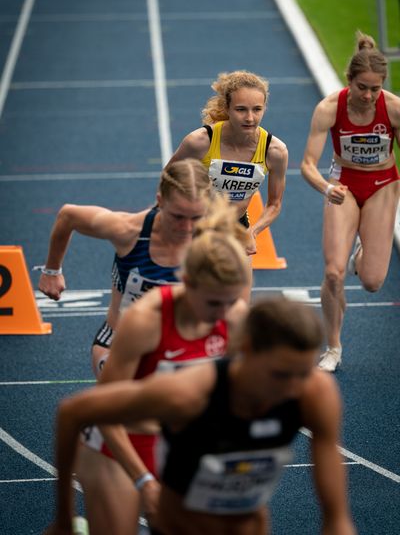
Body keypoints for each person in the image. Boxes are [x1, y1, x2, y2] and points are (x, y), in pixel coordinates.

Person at [44, 297, 356, 535]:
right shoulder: (188, 392)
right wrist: (62, 518)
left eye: (303, 373)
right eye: (280, 374)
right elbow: (73, 411)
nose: (293, 387)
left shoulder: (314, 393)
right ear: (248, 349)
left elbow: (336, 516)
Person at [62, 196, 251, 535]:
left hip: (180, 444)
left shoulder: (234, 319)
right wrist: (145, 480)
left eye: (231, 300)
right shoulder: (144, 320)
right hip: (118, 442)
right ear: (187, 283)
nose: (222, 313)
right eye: (213, 303)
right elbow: (95, 412)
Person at [37, 159, 212, 375]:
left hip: (182, 346)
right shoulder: (128, 231)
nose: (186, 227)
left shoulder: (215, 242)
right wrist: (52, 271)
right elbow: (68, 215)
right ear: (160, 201)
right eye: (177, 216)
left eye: (196, 217)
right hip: (121, 345)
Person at [301, 31, 400, 372]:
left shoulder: (394, 109)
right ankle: (333, 347)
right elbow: (308, 165)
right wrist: (325, 189)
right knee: (333, 273)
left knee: (372, 282)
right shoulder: (329, 108)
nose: (369, 95)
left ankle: (363, 250)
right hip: (342, 184)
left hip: (383, 185)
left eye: (376, 88)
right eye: (362, 88)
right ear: (350, 81)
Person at [166, 70, 288, 257]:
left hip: (236, 227)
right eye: (241, 109)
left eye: (257, 109)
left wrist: (252, 232)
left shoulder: (275, 151)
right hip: (194, 226)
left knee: (239, 287)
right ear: (227, 108)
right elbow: (167, 179)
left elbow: (274, 204)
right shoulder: (199, 141)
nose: (249, 118)